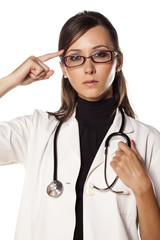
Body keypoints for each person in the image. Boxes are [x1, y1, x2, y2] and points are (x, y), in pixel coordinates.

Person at [0, 10, 160, 240]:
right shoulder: (35, 130)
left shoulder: (149, 141)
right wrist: (10, 80)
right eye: (75, 58)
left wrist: (144, 188)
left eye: (100, 54)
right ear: (64, 69)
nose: (88, 68)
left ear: (118, 61)